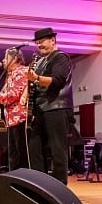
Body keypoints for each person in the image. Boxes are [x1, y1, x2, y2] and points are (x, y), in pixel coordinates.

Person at [25, 27, 73, 184]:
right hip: (40, 110)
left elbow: (58, 80)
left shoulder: (61, 57)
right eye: (37, 43)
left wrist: (36, 77)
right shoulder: (40, 61)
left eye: (42, 41)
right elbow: (33, 83)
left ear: (53, 40)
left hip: (56, 108)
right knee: (34, 147)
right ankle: (41, 184)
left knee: (57, 149)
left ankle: (60, 187)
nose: (39, 45)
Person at [0, 48, 29, 172]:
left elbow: (13, 95)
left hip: (20, 118)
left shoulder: (22, 72)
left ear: (14, 59)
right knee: (13, 154)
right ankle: (14, 179)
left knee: (21, 153)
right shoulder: (10, 75)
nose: (3, 60)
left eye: (6, 58)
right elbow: (6, 96)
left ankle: (24, 181)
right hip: (11, 119)